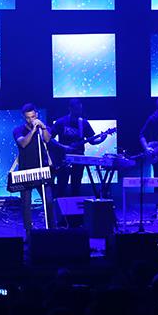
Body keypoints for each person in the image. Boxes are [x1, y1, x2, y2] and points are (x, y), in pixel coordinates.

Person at [13, 103, 55, 234]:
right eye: (28, 117)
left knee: (49, 201)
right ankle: (28, 232)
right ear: (24, 117)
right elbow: (23, 143)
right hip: (25, 171)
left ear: (36, 115)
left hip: (42, 170)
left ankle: (51, 229)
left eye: (33, 116)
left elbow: (47, 139)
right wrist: (33, 130)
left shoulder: (43, 128)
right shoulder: (18, 130)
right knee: (26, 204)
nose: (31, 120)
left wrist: (42, 128)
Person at [50, 99, 101, 199]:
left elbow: (92, 141)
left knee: (76, 185)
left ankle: (74, 207)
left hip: (78, 158)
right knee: (62, 185)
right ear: (70, 108)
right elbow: (49, 138)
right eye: (76, 109)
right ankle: (60, 206)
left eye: (80, 109)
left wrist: (102, 139)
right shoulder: (61, 122)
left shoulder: (84, 123)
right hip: (63, 158)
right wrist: (62, 147)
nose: (79, 111)